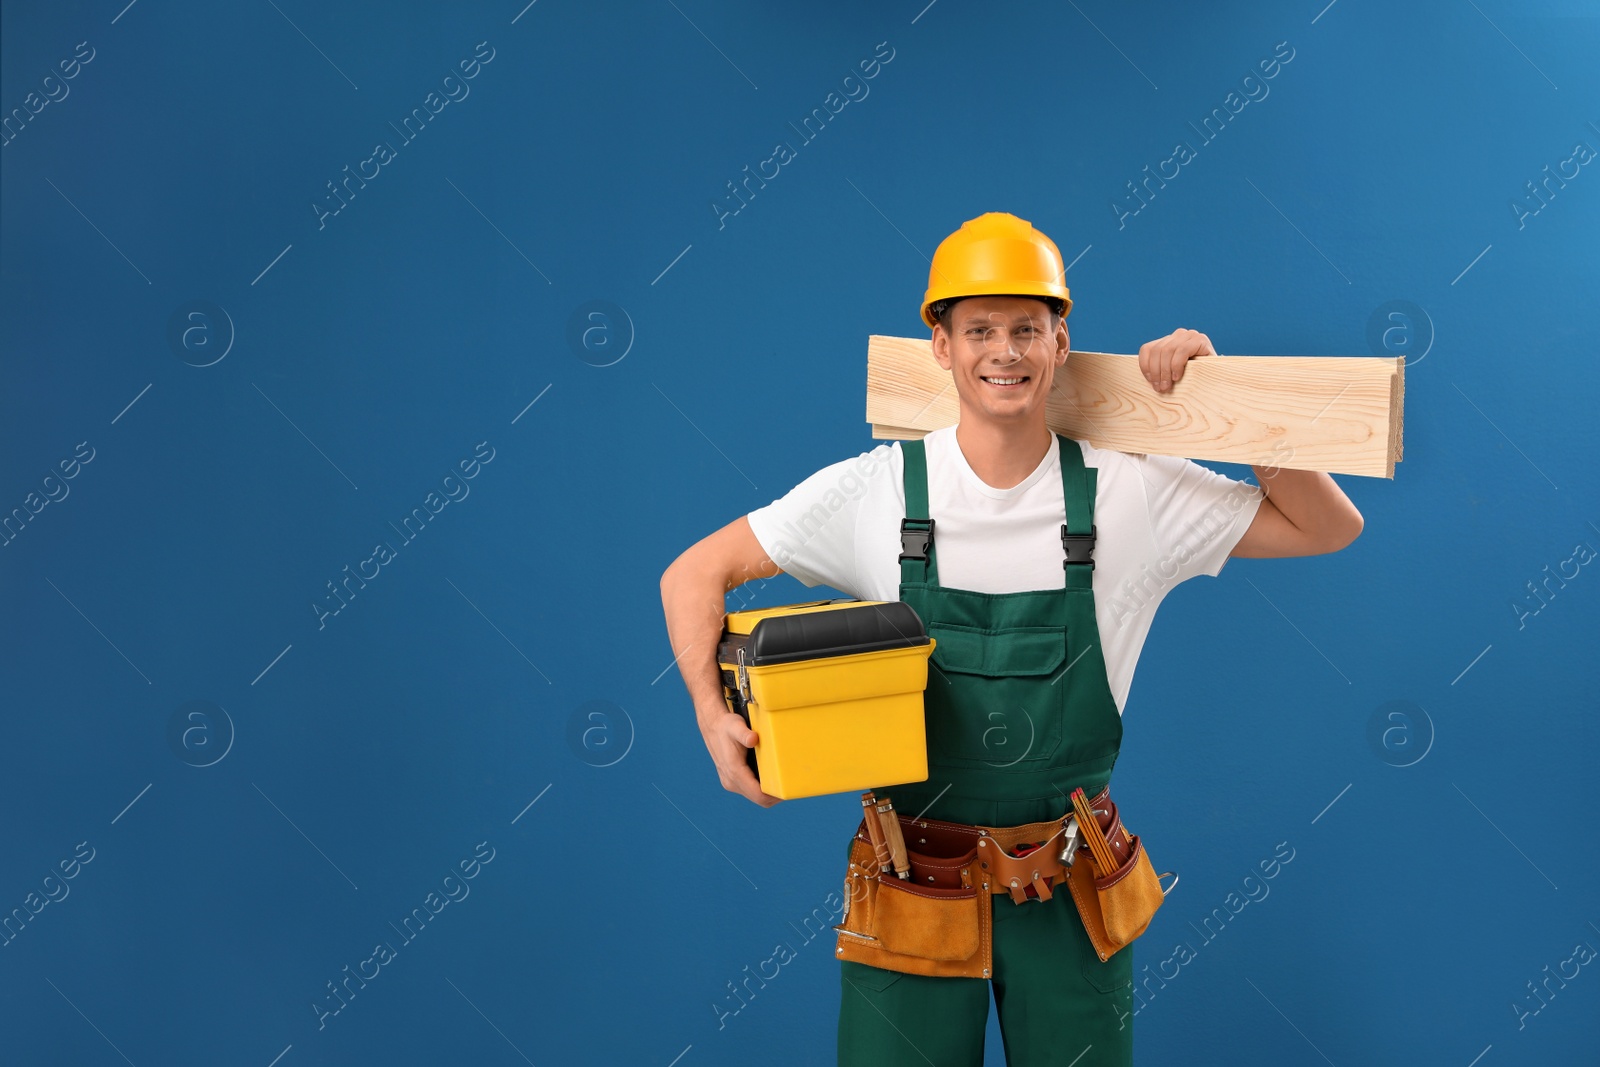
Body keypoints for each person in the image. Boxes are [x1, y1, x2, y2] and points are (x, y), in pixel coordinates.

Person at [658, 212, 1363, 1065]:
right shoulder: (874, 492)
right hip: (911, 885)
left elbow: (1327, 527)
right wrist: (710, 712)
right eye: (981, 329)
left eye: (1027, 328)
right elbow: (693, 573)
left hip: (1069, 891)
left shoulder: (1128, 493)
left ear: (1061, 342)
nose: (1006, 351)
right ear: (941, 345)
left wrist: (1232, 407)